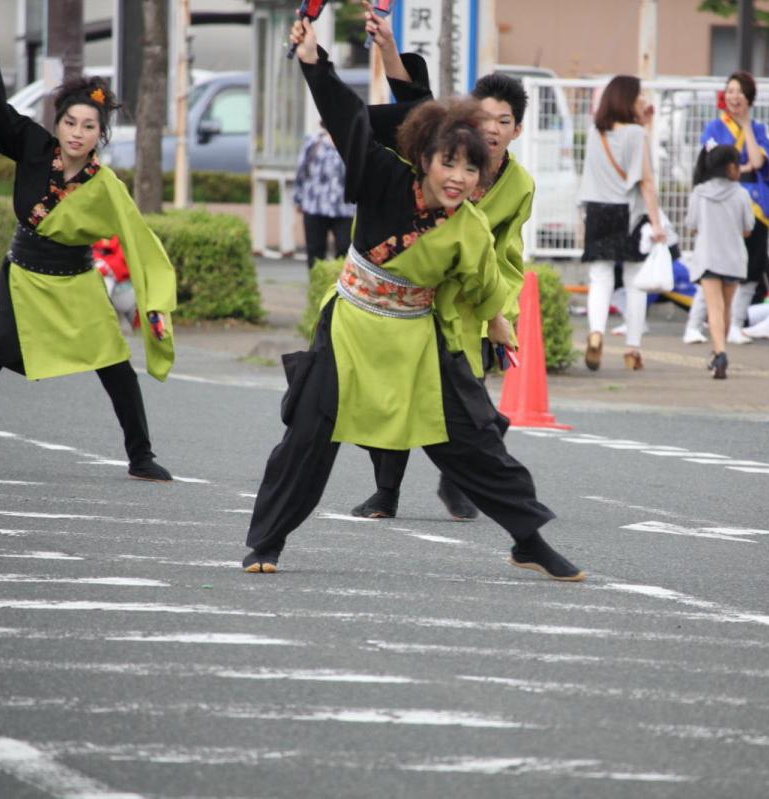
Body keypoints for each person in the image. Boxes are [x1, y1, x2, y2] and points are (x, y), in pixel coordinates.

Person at [240, 17, 584, 582]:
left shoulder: (469, 225)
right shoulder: (381, 175)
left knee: (472, 439)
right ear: (424, 159)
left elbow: (481, 284)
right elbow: (349, 118)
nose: (459, 177)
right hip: (352, 322)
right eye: (449, 163)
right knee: (308, 431)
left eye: (471, 168)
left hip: (417, 334)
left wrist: (498, 321)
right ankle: (265, 542)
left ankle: (529, 539)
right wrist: (312, 60)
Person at [0, 20, 176, 481]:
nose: (77, 133)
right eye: (70, 123)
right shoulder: (33, 146)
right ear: (57, 124)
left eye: (88, 127)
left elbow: (142, 243)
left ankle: (141, 456)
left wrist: (153, 304)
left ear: (101, 134)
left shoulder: (106, 186)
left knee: (116, 366)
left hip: (76, 281)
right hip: (22, 277)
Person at [344, 11, 536, 522]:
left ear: (517, 130)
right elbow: (415, 101)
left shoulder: (520, 187)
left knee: (463, 402)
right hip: (417, 292)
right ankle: (386, 493)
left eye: (504, 122)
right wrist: (386, 45)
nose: (491, 131)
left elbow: (508, 255)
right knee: (396, 392)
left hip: (470, 302)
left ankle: (462, 479)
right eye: (484, 119)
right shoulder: (442, 159)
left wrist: (501, 312)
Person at [577, 75, 665, 371]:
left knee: (600, 279)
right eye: (639, 96)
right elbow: (646, 182)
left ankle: (595, 334)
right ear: (627, 99)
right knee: (634, 282)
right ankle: (632, 350)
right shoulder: (636, 134)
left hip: (597, 211)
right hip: (629, 213)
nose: (643, 101)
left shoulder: (594, 132)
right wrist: (657, 224)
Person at [698, 71, 769, 346]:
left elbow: (759, 163)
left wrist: (746, 126)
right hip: (721, 203)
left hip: (752, 203)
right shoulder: (714, 128)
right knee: (716, 266)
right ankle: (701, 324)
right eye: (730, 91)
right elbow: (710, 164)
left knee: (751, 266)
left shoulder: (757, 130)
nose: (734, 97)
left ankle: (736, 323)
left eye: (740, 92)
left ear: (749, 99)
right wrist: (742, 168)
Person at [685, 144, 754, 379]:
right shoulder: (742, 193)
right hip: (734, 258)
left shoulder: (700, 192)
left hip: (708, 258)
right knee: (725, 308)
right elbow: (748, 229)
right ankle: (718, 352)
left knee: (713, 308)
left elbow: (691, 226)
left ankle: (720, 353)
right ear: (730, 167)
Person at [294, 122, 356, 269]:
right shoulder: (314, 142)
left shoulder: (353, 142)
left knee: (345, 249)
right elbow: (302, 171)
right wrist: (298, 199)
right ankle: (317, 285)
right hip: (315, 205)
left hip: (345, 208)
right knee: (315, 251)